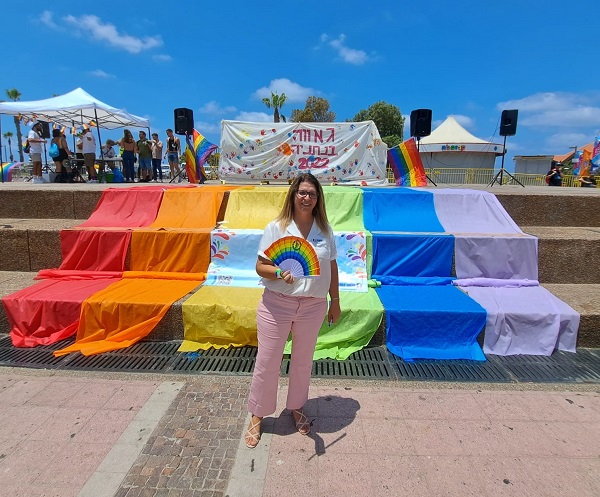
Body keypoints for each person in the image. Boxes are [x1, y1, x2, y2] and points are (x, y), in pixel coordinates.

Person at [245, 173, 341, 449]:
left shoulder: (325, 230)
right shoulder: (277, 227)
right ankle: (258, 414)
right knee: (268, 361)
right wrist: (278, 271)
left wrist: (335, 300)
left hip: (313, 305)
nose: (307, 198)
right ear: (293, 195)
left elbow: (332, 267)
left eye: (312, 193)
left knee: (302, 361)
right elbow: (260, 266)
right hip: (277, 303)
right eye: (302, 192)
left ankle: (296, 406)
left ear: (318, 198)